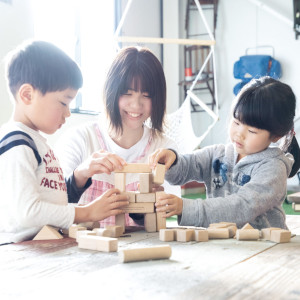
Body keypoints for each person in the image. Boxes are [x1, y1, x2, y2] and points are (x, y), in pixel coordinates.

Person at [0, 40, 129, 244]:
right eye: (63, 102)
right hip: (21, 251)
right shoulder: (17, 143)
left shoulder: (35, 141)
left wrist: (80, 176)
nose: (68, 113)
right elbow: (28, 212)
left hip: (43, 245)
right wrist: (86, 213)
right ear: (27, 95)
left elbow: (52, 200)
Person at [149, 76, 300, 230]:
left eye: (252, 131)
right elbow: (187, 166)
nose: (239, 134)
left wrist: (186, 208)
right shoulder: (218, 154)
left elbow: (242, 207)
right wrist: (172, 161)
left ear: (276, 136)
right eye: (236, 122)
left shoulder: (274, 168)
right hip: (224, 246)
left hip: (265, 248)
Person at [56, 46, 179, 228]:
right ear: (111, 92)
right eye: (127, 93)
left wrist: (144, 205)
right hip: (84, 251)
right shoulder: (79, 139)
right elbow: (55, 207)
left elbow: (163, 221)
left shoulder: (164, 151)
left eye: (146, 95)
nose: (136, 105)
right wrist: (81, 173)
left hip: (138, 252)